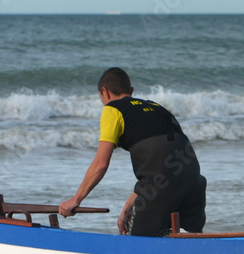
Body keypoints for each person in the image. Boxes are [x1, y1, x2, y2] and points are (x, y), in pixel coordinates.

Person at [59, 67, 206, 236]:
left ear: (105, 92)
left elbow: (101, 164)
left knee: (142, 244)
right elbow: (162, 163)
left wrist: (75, 200)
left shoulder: (112, 109)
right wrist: (128, 207)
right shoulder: (157, 107)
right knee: (189, 242)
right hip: (194, 179)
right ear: (131, 91)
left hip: (161, 185)